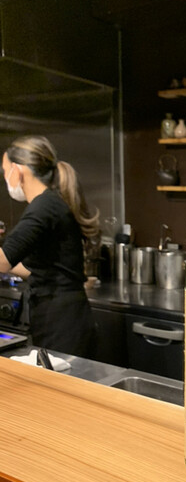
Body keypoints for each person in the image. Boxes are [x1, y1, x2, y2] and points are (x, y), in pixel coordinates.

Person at [0, 135, 99, 358]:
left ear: (18, 171)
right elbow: (36, 269)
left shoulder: (43, 208)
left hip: (63, 323)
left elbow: (2, 261)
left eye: (5, 171)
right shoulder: (48, 203)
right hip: (60, 317)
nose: (6, 177)